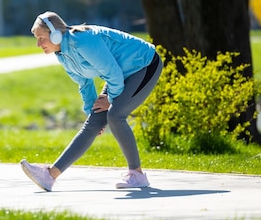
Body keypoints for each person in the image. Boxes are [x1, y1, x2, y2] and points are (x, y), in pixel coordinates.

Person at [20, 11, 163, 190]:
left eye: (41, 38)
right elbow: (85, 83)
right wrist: (92, 113)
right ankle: (49, 176)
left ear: (55, 33)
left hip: (144, 63)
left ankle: (137, 174)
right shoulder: (63, 54)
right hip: (119, 73)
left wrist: (110, 99)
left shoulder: (83, 41)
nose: (38, 44)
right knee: (94, 121)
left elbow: (113, 73)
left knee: (115, 114)